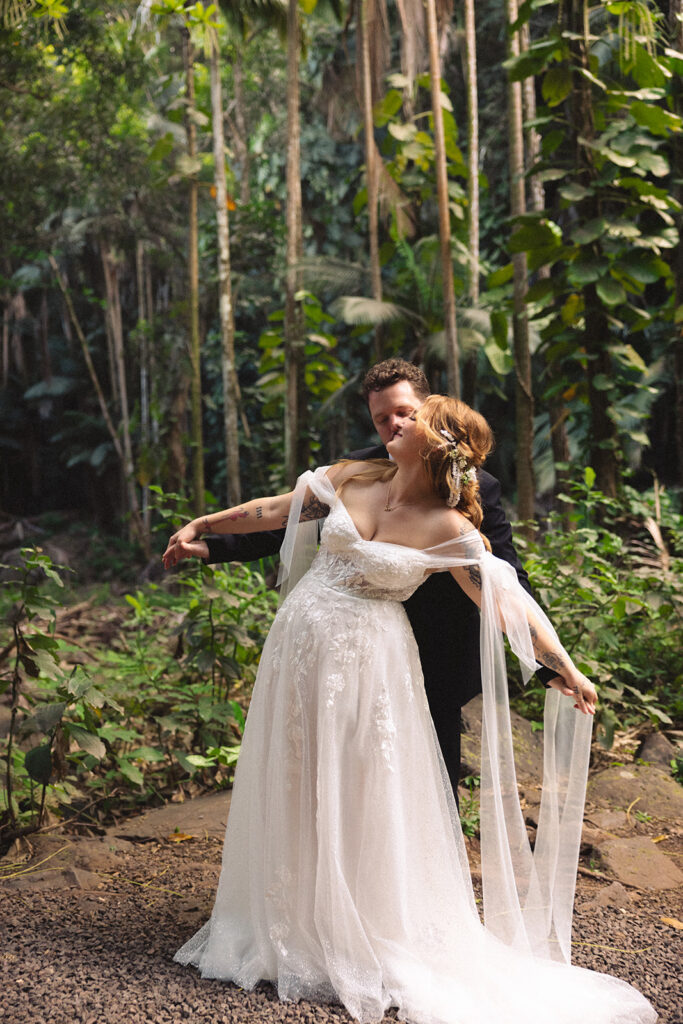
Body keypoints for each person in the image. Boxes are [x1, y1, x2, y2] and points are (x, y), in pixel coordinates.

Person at [163, 395, 655, 1024]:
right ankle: (289, 918)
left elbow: (506, 603)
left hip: (371, 662)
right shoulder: (351, 476)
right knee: (294, 772)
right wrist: (203, 524)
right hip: (298, 650)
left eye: (412, 419)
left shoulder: (451, 528)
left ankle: (361, 924)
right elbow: (272, 513)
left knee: (365, 784)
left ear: (436, 441)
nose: (395, 424)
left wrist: (565, 666)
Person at [163, 358, 556, 796]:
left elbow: (503, 577)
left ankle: (432, 854)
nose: (394, 425)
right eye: (382, 419)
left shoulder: (475, 489)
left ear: (428, 410)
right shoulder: (362, 469)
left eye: (405, 413)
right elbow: (286, 516)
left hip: (438, 642)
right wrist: (213, 542)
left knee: (432, 761)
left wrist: (548, 663)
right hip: (344, 643)